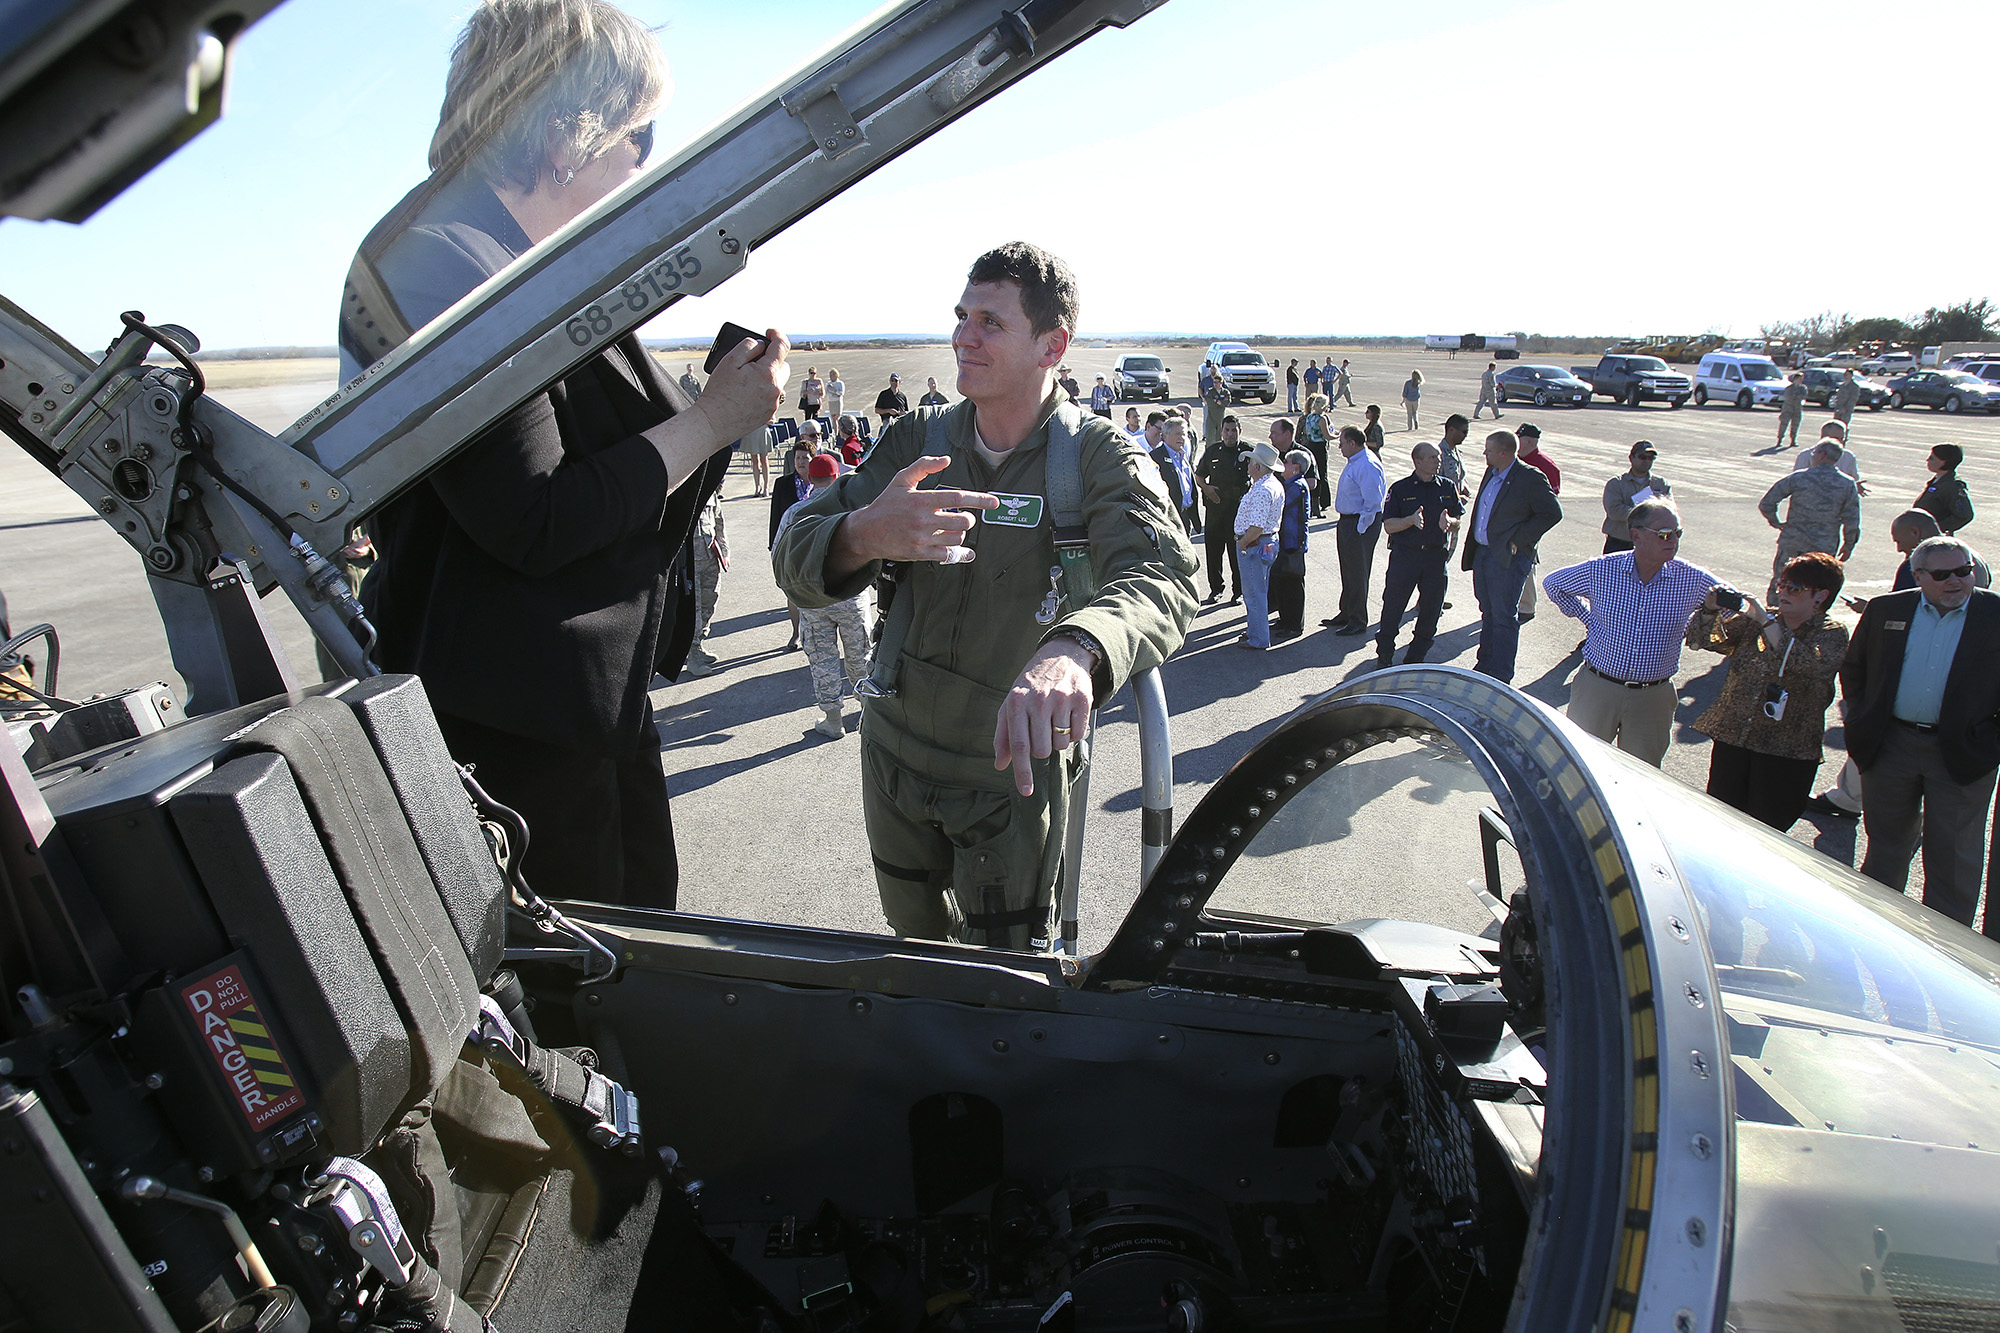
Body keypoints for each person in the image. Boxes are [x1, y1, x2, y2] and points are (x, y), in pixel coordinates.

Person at [337, 0, 787, 908]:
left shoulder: (502, 254)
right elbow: (530, 516)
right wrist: (709, 422)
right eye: (638, 129)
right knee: (577, 1000)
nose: (645, 157)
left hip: (563, 713)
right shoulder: (448, 264)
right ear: (564, 131)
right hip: (515, 733)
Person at [773, 242, 1197, 949]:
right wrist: (858, 533)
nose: (963, 336)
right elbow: (796, 551)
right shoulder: (918, 440)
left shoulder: (1095, 457)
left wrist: (1077, 645)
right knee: (914, 949)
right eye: (962, 316)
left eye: (991, 323)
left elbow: (1165, 578)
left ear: (1051, 344)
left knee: (1003, 977)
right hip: (895, 755)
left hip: (1011, 779)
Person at [1840, 536, 2000, 927]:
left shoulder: (1995, 615)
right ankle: (1877, 934)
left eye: (1964, 572)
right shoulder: (1886, 610)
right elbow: (1855, 669)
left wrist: (1989, 744)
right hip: (1892, 746)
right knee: (1886, 849)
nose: (1956, 582)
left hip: (1964, 753)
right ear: (1918, 576)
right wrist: (1862, 720)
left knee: (1954, 858)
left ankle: (1948, 954)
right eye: (1942, 574)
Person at [1542, 501, 1718, 766]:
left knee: (1643, 776)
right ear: (1636, 535)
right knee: (1580, 768)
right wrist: (1589, 619)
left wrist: (1699, 621)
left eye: (1677, 533)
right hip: (1598, 689)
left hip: (1653, 697)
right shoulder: (1602, 570)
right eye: (1663, 534)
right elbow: (1553, 583)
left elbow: (1736, 607)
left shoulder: (1693, 579)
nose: (1672, 540)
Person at [1684, 553, 1849, 830]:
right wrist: (1710, 610)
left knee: (1767, 831)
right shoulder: (1762, 620)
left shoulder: (1831, 632)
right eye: (1782, 584)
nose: (1782, 592)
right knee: (1720, 824)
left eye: (1794, 588)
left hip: (1785, 753)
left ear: (1820, 596)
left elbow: (1800, 662)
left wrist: (1766, 621)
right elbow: (1701, 640)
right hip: (1735, 740)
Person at [775, 453, 873, 739]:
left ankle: (833, 719)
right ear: (836, 478)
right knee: (860, 654)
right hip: (852, 596)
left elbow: (780, 555)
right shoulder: (853, 510)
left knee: (822, 658)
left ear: (809, 479)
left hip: (813, 599)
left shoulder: (795, 512)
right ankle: (867, 713)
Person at [1462, 429, 1561, 682]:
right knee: (1489, 612)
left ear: (1504, 453)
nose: (1485, 453)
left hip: (1507, 558)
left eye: (1489, 450)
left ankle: (1500, 676)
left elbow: (1551, 513)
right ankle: (1484, 667)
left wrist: (1519, 539)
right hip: (1484, 553)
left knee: (1504, 615)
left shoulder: (1529, 477)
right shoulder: (1492, 471)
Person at [1376, 441, 1462, 667]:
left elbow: (1458, 521)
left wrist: (1450, 522)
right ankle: (1385, 654)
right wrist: (1410, 521)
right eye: (1432, 457)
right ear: (1417, 461)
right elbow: (1389, 526)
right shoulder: (1401, 489)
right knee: (1393, 607)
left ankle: (1416, 657)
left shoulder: (1447, 487)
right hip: (1406, 557)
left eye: (1438, 457)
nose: (1438, 461)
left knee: (1432, 609)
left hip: (1435, 558)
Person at [1759, 439, 1860, 593]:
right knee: (1819, 586)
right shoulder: (1847, 484)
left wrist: (1776, 522)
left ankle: (1774, 613)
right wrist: (1848, 545)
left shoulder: (1799, 478)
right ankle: (1814, 615)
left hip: (1793, 542)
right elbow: (1852, 519)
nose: (1812, 456)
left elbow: (1767, 503)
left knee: (1782, 582)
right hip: (1824, 546)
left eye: (1814, 453)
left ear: (1822, 455)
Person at [1324, 424, 1387, 636]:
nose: (1339, 447)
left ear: (1352, 443)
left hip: (1360, 523)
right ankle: (1346, 612)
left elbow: (1373, 503)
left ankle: (1358, 619)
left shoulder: (1367, 465)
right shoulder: (1355, 461)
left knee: (1358, 572)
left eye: (1342, 443)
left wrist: (1359, 529)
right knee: (1348, 570)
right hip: (1348, 521)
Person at [1235, 441, 1286, 651]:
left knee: (1254, 592)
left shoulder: (1262, 490)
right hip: (1264, 543)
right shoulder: (1270, 485)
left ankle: (1258, 638)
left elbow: (1256, 527)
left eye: (1250, 462)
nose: (1248, 466)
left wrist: (1243, 542)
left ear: (1257, 466)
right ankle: (1255, 631)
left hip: (1256, 544)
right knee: (1258, 590)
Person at [1197, 414, 1252, 604]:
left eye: (1233, 430)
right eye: (1226, 430)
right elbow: (1199, 476)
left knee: (1237, 556)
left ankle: (1238, 592)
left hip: (1238, 514)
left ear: (1240, 431)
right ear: (1221, 431)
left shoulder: (1248, 452)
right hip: (1215, 512)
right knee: (1213, 555)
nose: (1230, 434)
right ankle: (1216, 590)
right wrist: (1206, 488)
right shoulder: (1213, 451)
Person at [1513, 423, 1560, 621]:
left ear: (1530, 441)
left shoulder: (1546, 466)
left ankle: (1526, 607)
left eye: (1520, 438)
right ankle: (1514, 602)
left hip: (1531, 523)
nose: (1517, 442)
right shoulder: (1515, 460)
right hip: (1513, 521)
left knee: (1527, 561)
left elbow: (1551, 504)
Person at [682, 493, 728, 676]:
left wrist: (724, 550)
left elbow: (719, 521)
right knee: (694, 608)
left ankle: (698, 645)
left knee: (710, 601)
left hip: (710, 558)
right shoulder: (683, 490)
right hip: (688, 560)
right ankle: (693, 656)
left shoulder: (711, 493)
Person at [1272, 447, 1313, 640]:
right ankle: (1285, 619)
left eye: (1286, 462)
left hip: (1293, 543)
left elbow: (1281, 505)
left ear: (1295, 467)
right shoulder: (1290, 484)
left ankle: (1294, 624)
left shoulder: (1297, 487)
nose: (1283, 464)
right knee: (1283, 583)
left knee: (1293, 585)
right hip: (1285, 542)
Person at [1601, 441, 1668, 553]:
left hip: (1651, 544)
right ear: (1631, 458)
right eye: (1642, 457)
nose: (1646, 461)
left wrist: (1633, 511)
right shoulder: (1616, 484)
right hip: (1619, 544)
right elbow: (1615, 511)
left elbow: (1667, 511)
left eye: (1651, 458)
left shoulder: (1660, 484)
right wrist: (1648, 513)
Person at [1152, 415, 1202, 538]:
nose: (1181, 438)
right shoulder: (1155, 458)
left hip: (1185, 518)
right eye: (1177, 434)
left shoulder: (1183, 456)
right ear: (1165, 435)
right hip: (1168, 519)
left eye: (1184, 434)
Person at [1791, 419, 1866, 494]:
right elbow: (1796, 482)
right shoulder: (1806, 456)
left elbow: (1854, 480)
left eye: (1842, 439)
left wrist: (1855, 487)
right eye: (1836, 438)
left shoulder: (1848, 457)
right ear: (1823, 438)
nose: (1840, 442)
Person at [1914, 443, 1974, 536]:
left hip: (1935, 539)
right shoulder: (1937, 481)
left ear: (1943, 462)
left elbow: (1964, 515)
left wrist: (1937, 528)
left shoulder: (1952, 486)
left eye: (1932, 458)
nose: (1927, 460)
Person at [1297, 392, 1334, 517]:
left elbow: (1307, 432)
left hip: (1310, 445)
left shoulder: (1309, 417)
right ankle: (1316, 507)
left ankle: (1312, 504)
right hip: (1320, 447)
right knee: (1321, 476)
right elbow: (1327, 435)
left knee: (1313, 474)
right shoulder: (1321, 418)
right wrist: (1339, 435)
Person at [1202, 366, 1229, 450]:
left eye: (1217, 382)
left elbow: (1227, 402)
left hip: (1220, 417)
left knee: (1219, 437)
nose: (1215, 384)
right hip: (1211, 418)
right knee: (1210, 438)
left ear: (1221, 383)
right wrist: (1219, 402)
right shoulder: (1210, 391)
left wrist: (1219, 402)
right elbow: (1210, 403)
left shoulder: (1225, 392)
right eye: (1214, 382)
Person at [1777, 371, 1806, 448]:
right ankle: (1780, 439)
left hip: (1797, 409)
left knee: (1795, 425)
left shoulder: (1803, 388)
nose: (1801, 380)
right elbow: (1788, 397)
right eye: (1799, 378)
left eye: (1802, 379)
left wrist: (1796, 396)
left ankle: (1793, 440)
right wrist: (1797, 396)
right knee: (1784, 424)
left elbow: (1804, 396)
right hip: (1788, 409)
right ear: (1795, 379)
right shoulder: (1789, 388)